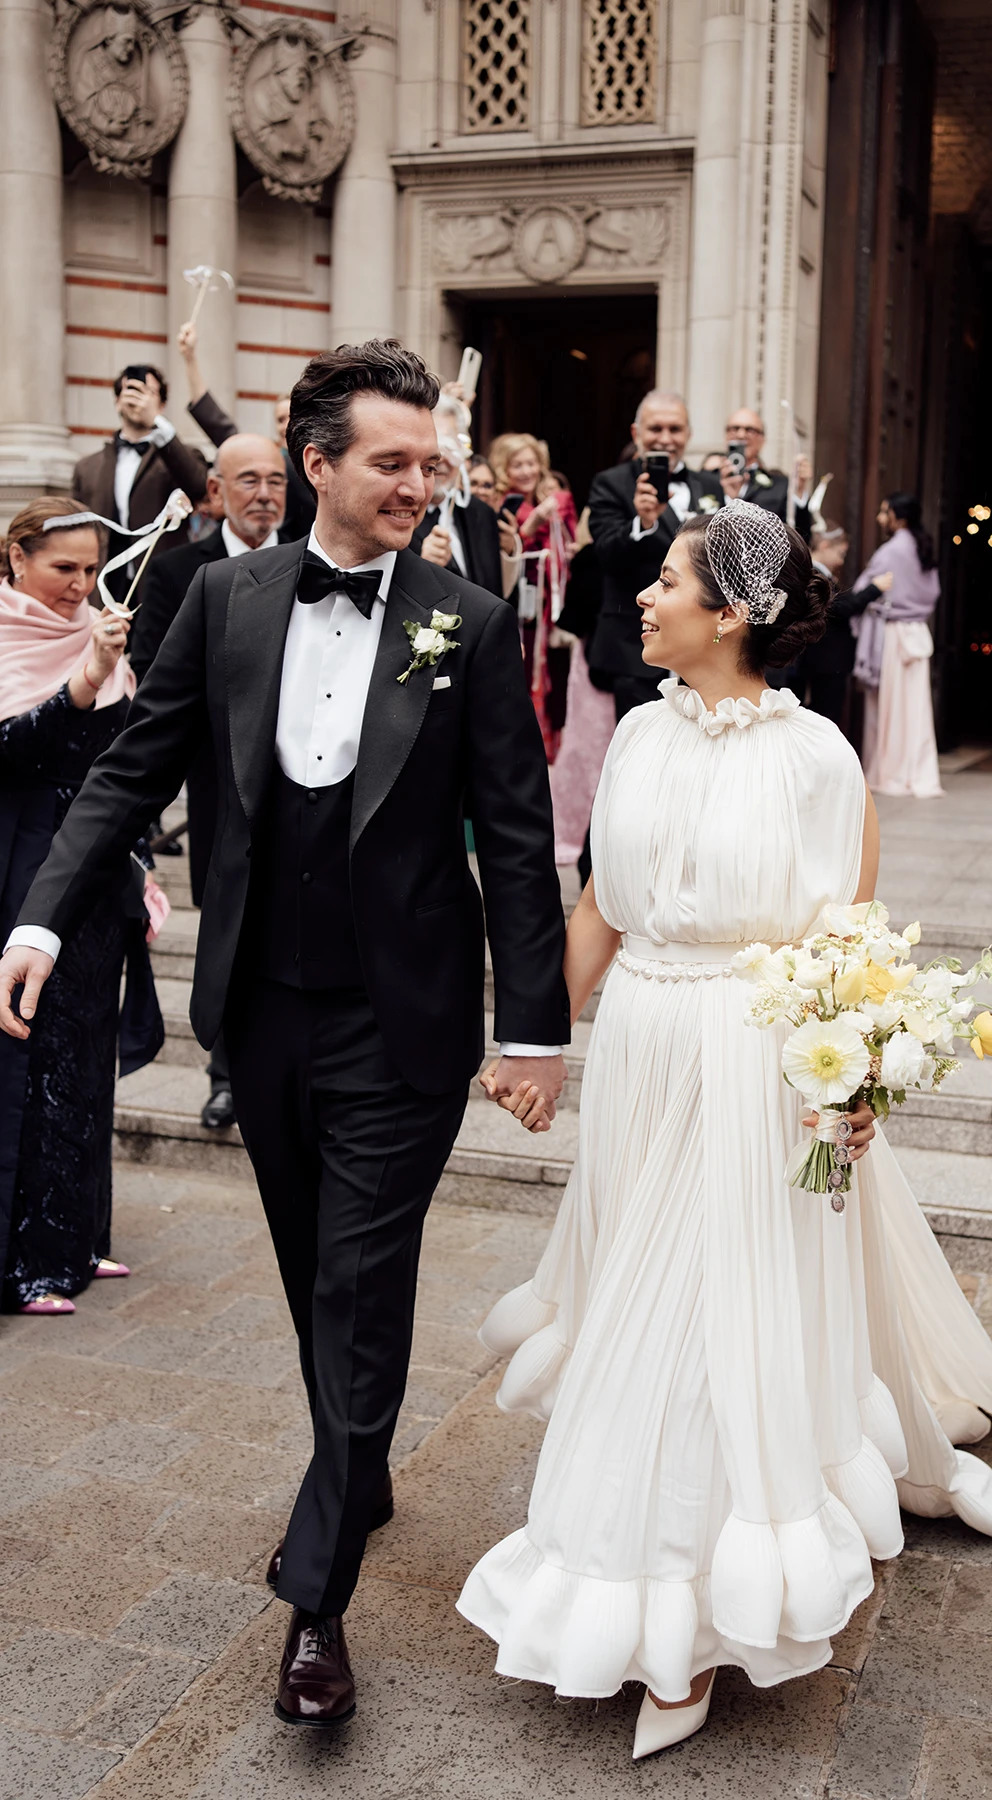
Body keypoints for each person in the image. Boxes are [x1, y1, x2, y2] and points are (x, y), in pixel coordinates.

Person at [458, 499, 992, 1760]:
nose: (640, 598)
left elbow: (848, 936)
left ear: (735, 614)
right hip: (644, 1048)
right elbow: (601, 900)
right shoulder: (640, 733)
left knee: (709, 1312)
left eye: (666, 581)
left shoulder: (818, 757)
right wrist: (538, 1039)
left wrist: (850, 1080)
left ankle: (689, 1618)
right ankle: (652, 1576)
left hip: (755, 1058)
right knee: (635, 1291)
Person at [0, 339, 569, 1728]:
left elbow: (514, 833)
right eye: (393, 462)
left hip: (408, 1023)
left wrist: (537, 1030)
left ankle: (317, 1595)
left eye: (430, 464)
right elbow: (136, 765)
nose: (418, 485)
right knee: (317, 1267)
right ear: (315, 464)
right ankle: (357, 1467)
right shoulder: (228, 600)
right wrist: (39, 919)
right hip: (261, 1013)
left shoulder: (468, 623)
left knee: (360, 1284)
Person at [0, 499, 162, 1316]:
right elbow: (13, 750)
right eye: (63, 567)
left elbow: (122, 766)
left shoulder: (100, 633)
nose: (81, 586)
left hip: (97, 880)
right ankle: (23, 1262)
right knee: (29, 1064)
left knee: (86, 1057)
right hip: (20, 875)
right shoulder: (5, 632)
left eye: (92, 569)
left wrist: (141, 867)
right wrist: (86, 680)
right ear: (16, 559)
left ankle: (75, 1239)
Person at [130, 434, 291, 1133]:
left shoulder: (322, 563)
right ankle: (226, 1075)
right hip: (221, 788)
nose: (264, 493)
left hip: (312, 789)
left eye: (276, 480)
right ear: (215, 492)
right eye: (248, 479)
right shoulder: (176, 575)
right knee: (228, 929)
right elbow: (159, 682)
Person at [586, 390, 722, 719]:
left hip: (702, 650)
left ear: (688, 434)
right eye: (655, 429)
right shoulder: (611, 483)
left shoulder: (710, 486)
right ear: (637, 433)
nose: (665, 438)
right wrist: (643, 523)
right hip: (636, 648)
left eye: (675, 429)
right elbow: (604, 555)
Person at [71, 363, 209, 599]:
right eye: (131, 390)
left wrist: (157, 423)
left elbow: (198, 487)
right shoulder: (87, 467)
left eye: (148, 392)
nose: (139, 398)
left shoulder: (179, 455)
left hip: (160, 588)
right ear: (117, 401)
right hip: (103, 587)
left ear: (162, 404)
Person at [177, 322, 317, 538]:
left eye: (293, 417)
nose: (287, 425)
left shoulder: (320, 465)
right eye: (280, 419)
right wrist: (190, 359)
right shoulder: (263, 457)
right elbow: (217, 425)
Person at [490, 433, 578, 759]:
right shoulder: (502, 503)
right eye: (517, 465)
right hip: (519, 602)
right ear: (504, 469)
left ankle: (547, 747)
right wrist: (531, 526)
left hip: (547, 603)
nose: (526, 471)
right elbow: (502, 553)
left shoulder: (552, 497)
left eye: (531, 463)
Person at [851, 493, 943, 799]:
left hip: (892, 634)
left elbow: (865, 590)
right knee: (914, 707)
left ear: (898, 518)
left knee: (889, 707)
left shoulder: (891, 551)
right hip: (916, 631)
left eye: (884, 512)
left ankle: (890, 771)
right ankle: (914, 770)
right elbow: (933, 593)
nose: (879, 518)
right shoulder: (923, 547)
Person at [771, 524, 890, 727]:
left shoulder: (817, 573)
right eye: (840, 553)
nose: (842, 560)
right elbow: (838, 608)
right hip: (823, 658)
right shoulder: (812, 573)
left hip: (824, 659)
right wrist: (874, 589)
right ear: (825, 545)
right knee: (824, 716)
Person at [547, 509, 615, 866]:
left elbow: (573, 616)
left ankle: (571, 830)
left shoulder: (591, 556)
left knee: (586, 743)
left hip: (591, 659)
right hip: (608, 662)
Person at [412, 434, 519, 603]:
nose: (442, 459)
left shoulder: (481, 512)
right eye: (438, 445)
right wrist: (421, 568)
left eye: (451, 447)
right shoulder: (399, 512)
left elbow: (494, 591)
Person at [719, 408, 789, 518]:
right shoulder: (706, 480)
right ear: (725, 435)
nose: (741, 435)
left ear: (762, 440)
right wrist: (729, 499)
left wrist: (799, 493)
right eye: (734, 429)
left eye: (750, 430)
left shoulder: (780, 485)